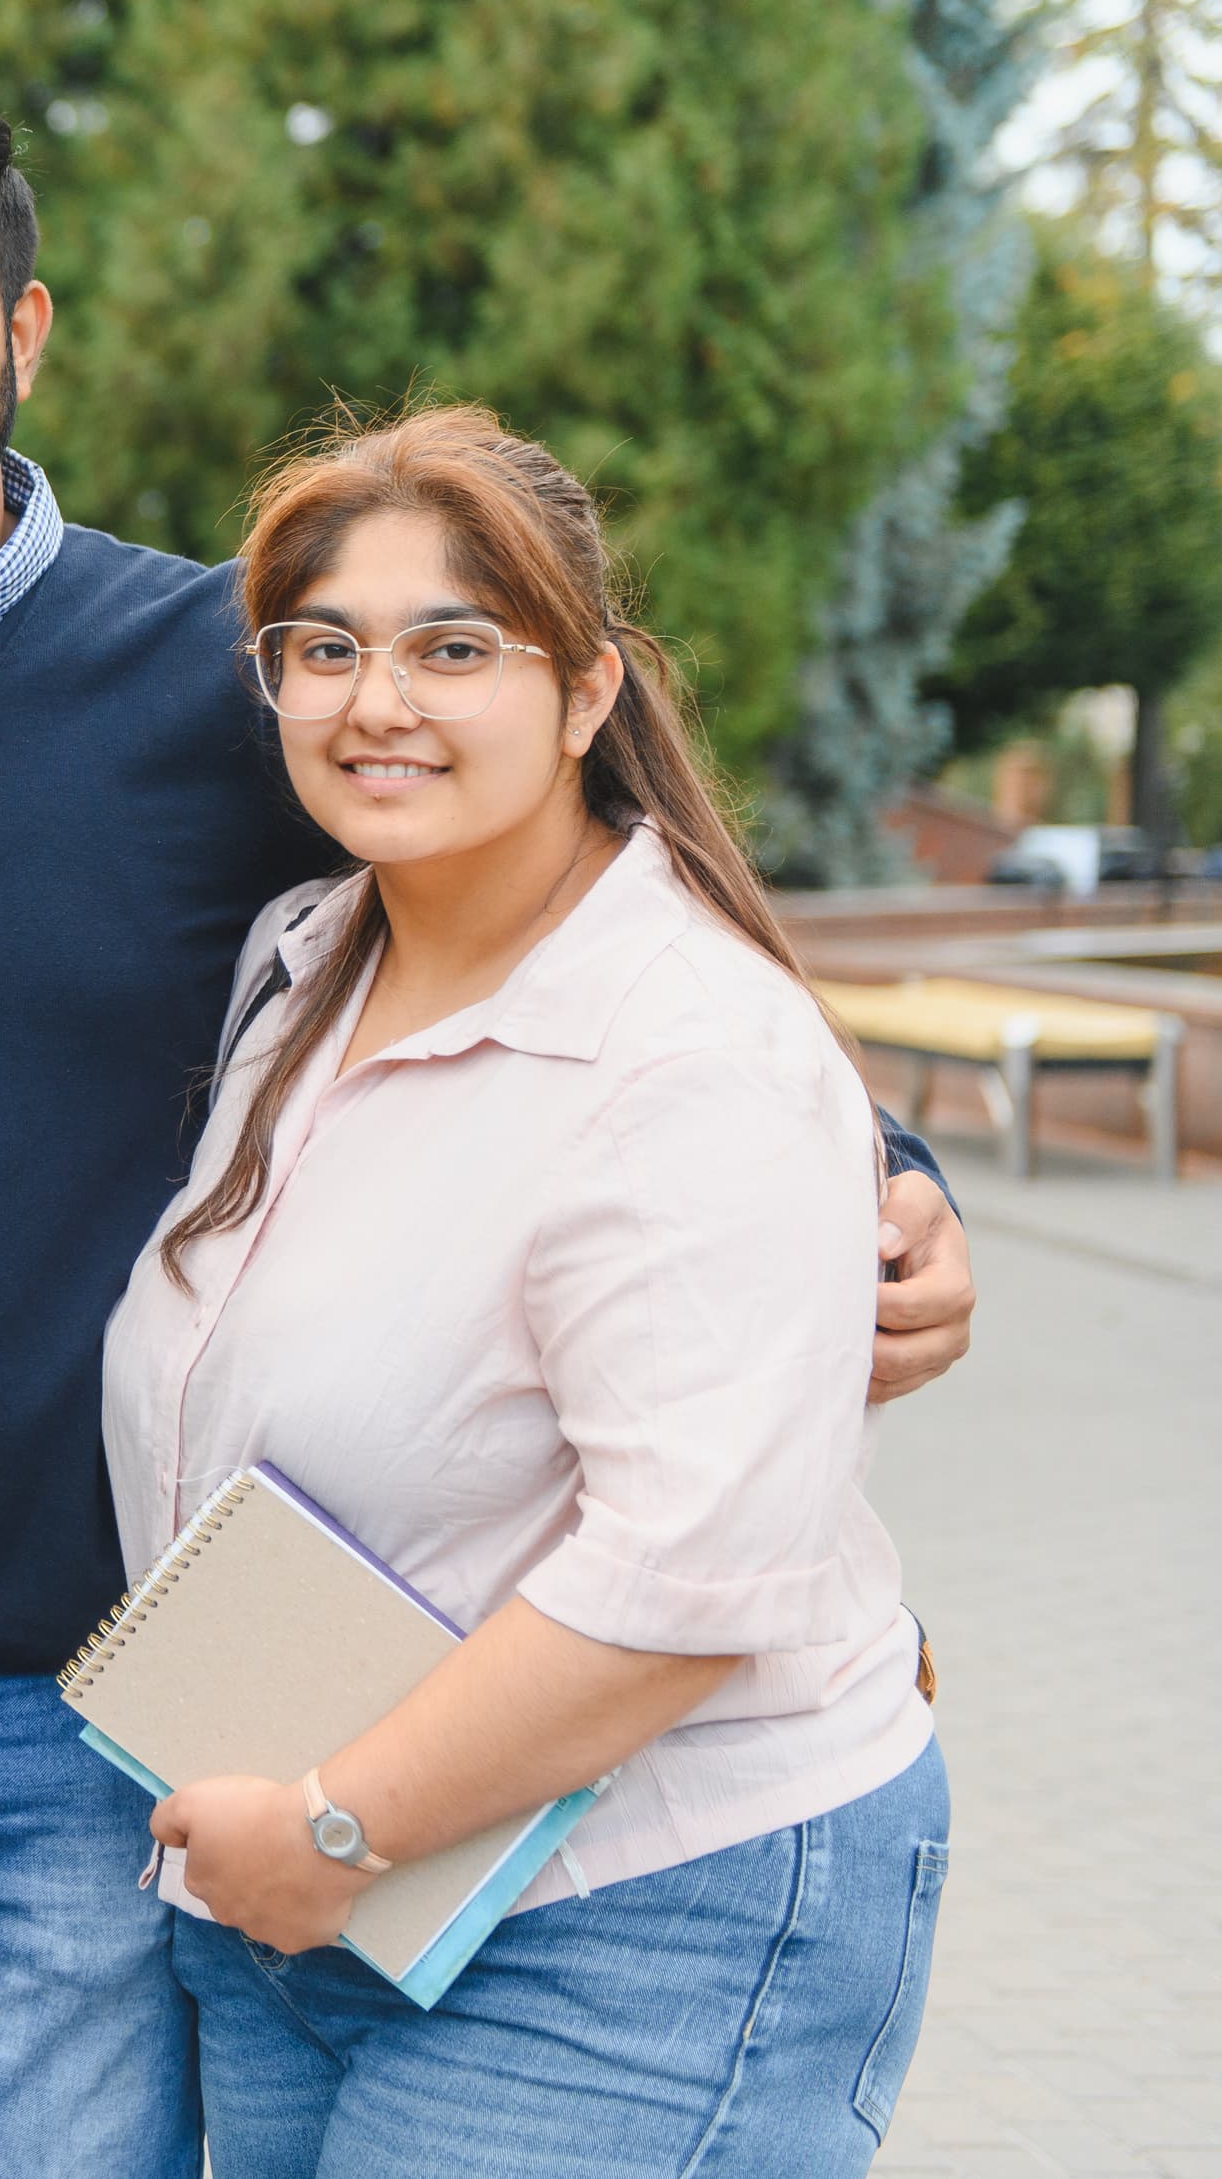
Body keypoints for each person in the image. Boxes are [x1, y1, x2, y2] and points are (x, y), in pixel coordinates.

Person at [0, 55, 980, 2177]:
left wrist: (879, 1181)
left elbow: (550, 907)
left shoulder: (235, 677)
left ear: (24, 328)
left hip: (106, 1713)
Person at [116, 404, 948, 2174]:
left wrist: (333, 1832)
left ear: (588, 694)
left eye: (454, 648)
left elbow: (687, 1576)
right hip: (308, 1895)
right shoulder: (304, 961)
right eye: (324, 648)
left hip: (632, 1912)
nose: (378, 700)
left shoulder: (688, 1050)